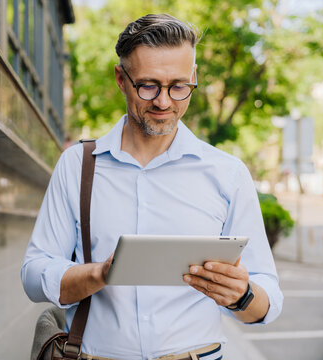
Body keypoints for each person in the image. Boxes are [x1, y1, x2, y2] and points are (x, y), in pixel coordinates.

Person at [21, 14, 283, 360]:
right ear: (121, 78)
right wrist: (98, 273)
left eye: (178, 86)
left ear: (193, 78)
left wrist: (242, 295)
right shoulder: (78, 166)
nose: (164, 102)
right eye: (148, 85)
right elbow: (33, 274)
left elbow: (269, 300)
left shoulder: (228, 174)